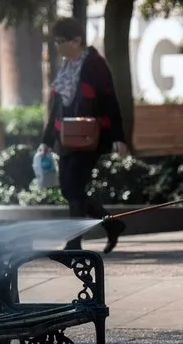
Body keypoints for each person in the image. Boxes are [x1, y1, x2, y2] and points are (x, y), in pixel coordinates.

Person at [41, 17, 127, 253]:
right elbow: (56, 108)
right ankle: (112, 225)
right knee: (69, 189)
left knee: (74, 186)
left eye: (61, 42)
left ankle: (74, 242)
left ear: (76, 40)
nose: (57, 47)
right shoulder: (67, 67)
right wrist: (46, 141)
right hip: (66, 138)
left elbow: (110, 101)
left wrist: (119, 137)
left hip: (90, 138)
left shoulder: (94, 65)